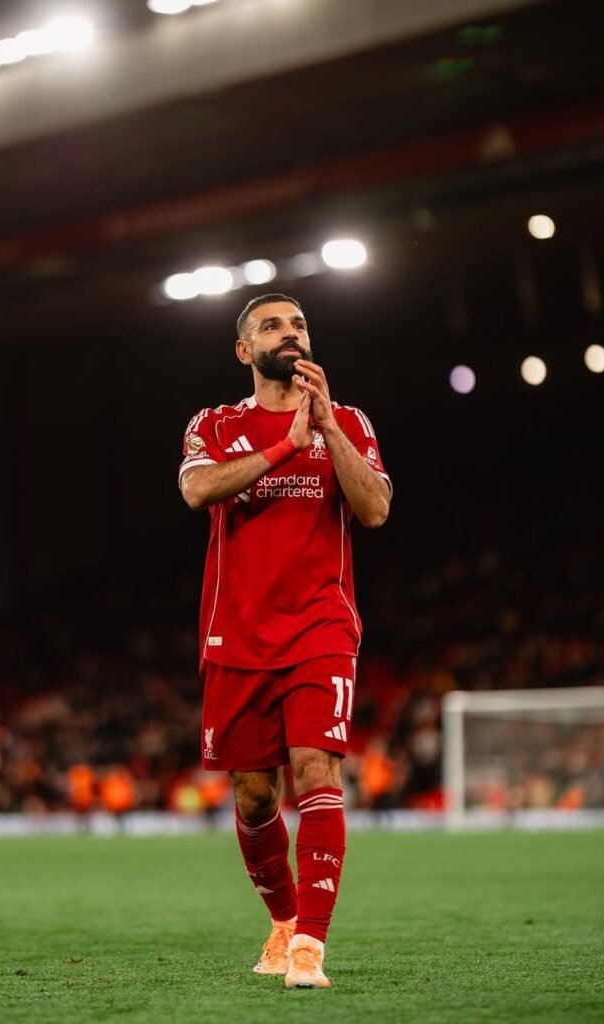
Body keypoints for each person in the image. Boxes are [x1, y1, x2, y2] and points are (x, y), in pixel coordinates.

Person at [179, 294, 391, 989]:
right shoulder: (214, 424)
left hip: (319, 626)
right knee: (253, 797)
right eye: (272, 325)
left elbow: (375, 509)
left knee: (315, 772)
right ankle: (281, 922)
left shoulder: (350, 422)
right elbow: (197, 490)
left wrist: (326, 431)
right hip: (235, 634)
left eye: (298, 322)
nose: (289, 333)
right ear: (245, 351)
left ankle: (310, 945)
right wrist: (283, 446)